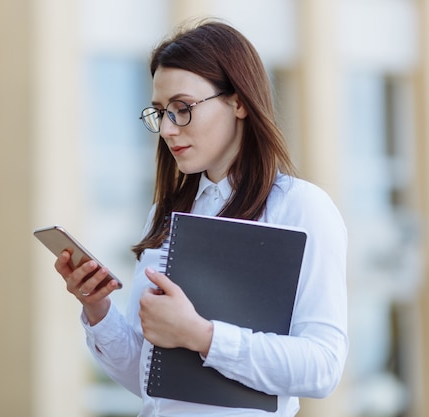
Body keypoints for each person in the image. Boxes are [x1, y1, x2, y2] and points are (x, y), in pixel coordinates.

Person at [54, 18, 347, 417]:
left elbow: (323, 367)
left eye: (183, 109)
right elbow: (149, 382)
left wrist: (202, 336)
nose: (168, 130)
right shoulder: (166, 213)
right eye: (160, 112)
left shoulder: (300, 207)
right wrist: (98, 308)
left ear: (239, 102)